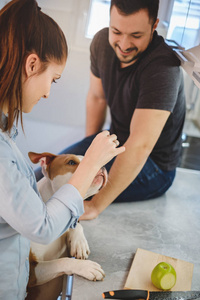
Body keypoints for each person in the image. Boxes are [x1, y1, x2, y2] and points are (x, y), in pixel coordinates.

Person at [0, 1, 125, 299]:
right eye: (52, 79)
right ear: (32, 65)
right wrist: (89, 164)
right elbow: (41, 227)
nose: (47, 92)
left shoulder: (8, 138)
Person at [60, 0, 186, 220]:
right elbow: (97, 98)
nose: (124, 44)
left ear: (154, 25)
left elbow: (140, 146)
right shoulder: (101, 42)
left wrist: (95, 205)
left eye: (136, 35)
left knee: (63, 193)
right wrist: (91, 151)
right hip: (115, 142)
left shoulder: (164, 68)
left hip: (154, 165)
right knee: (47, 176)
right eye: (116, 31)